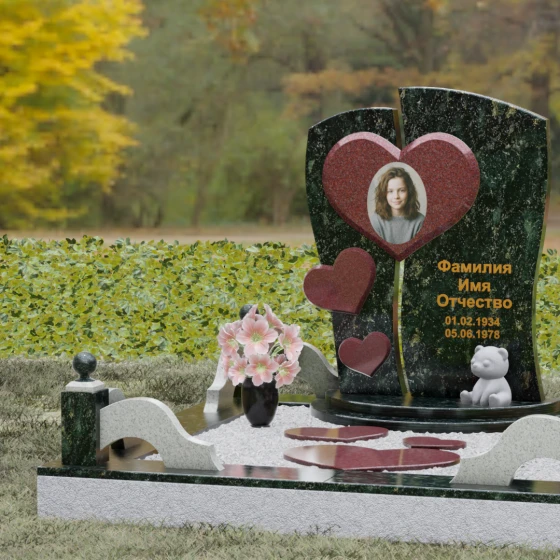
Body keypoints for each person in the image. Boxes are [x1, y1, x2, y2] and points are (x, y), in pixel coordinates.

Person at [369, 167, 425, 244]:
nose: (396, 196)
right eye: (390, 191)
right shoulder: (376, 220)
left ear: (409, 192)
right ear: (384, 194)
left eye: (402, 190)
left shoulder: (420, 221)